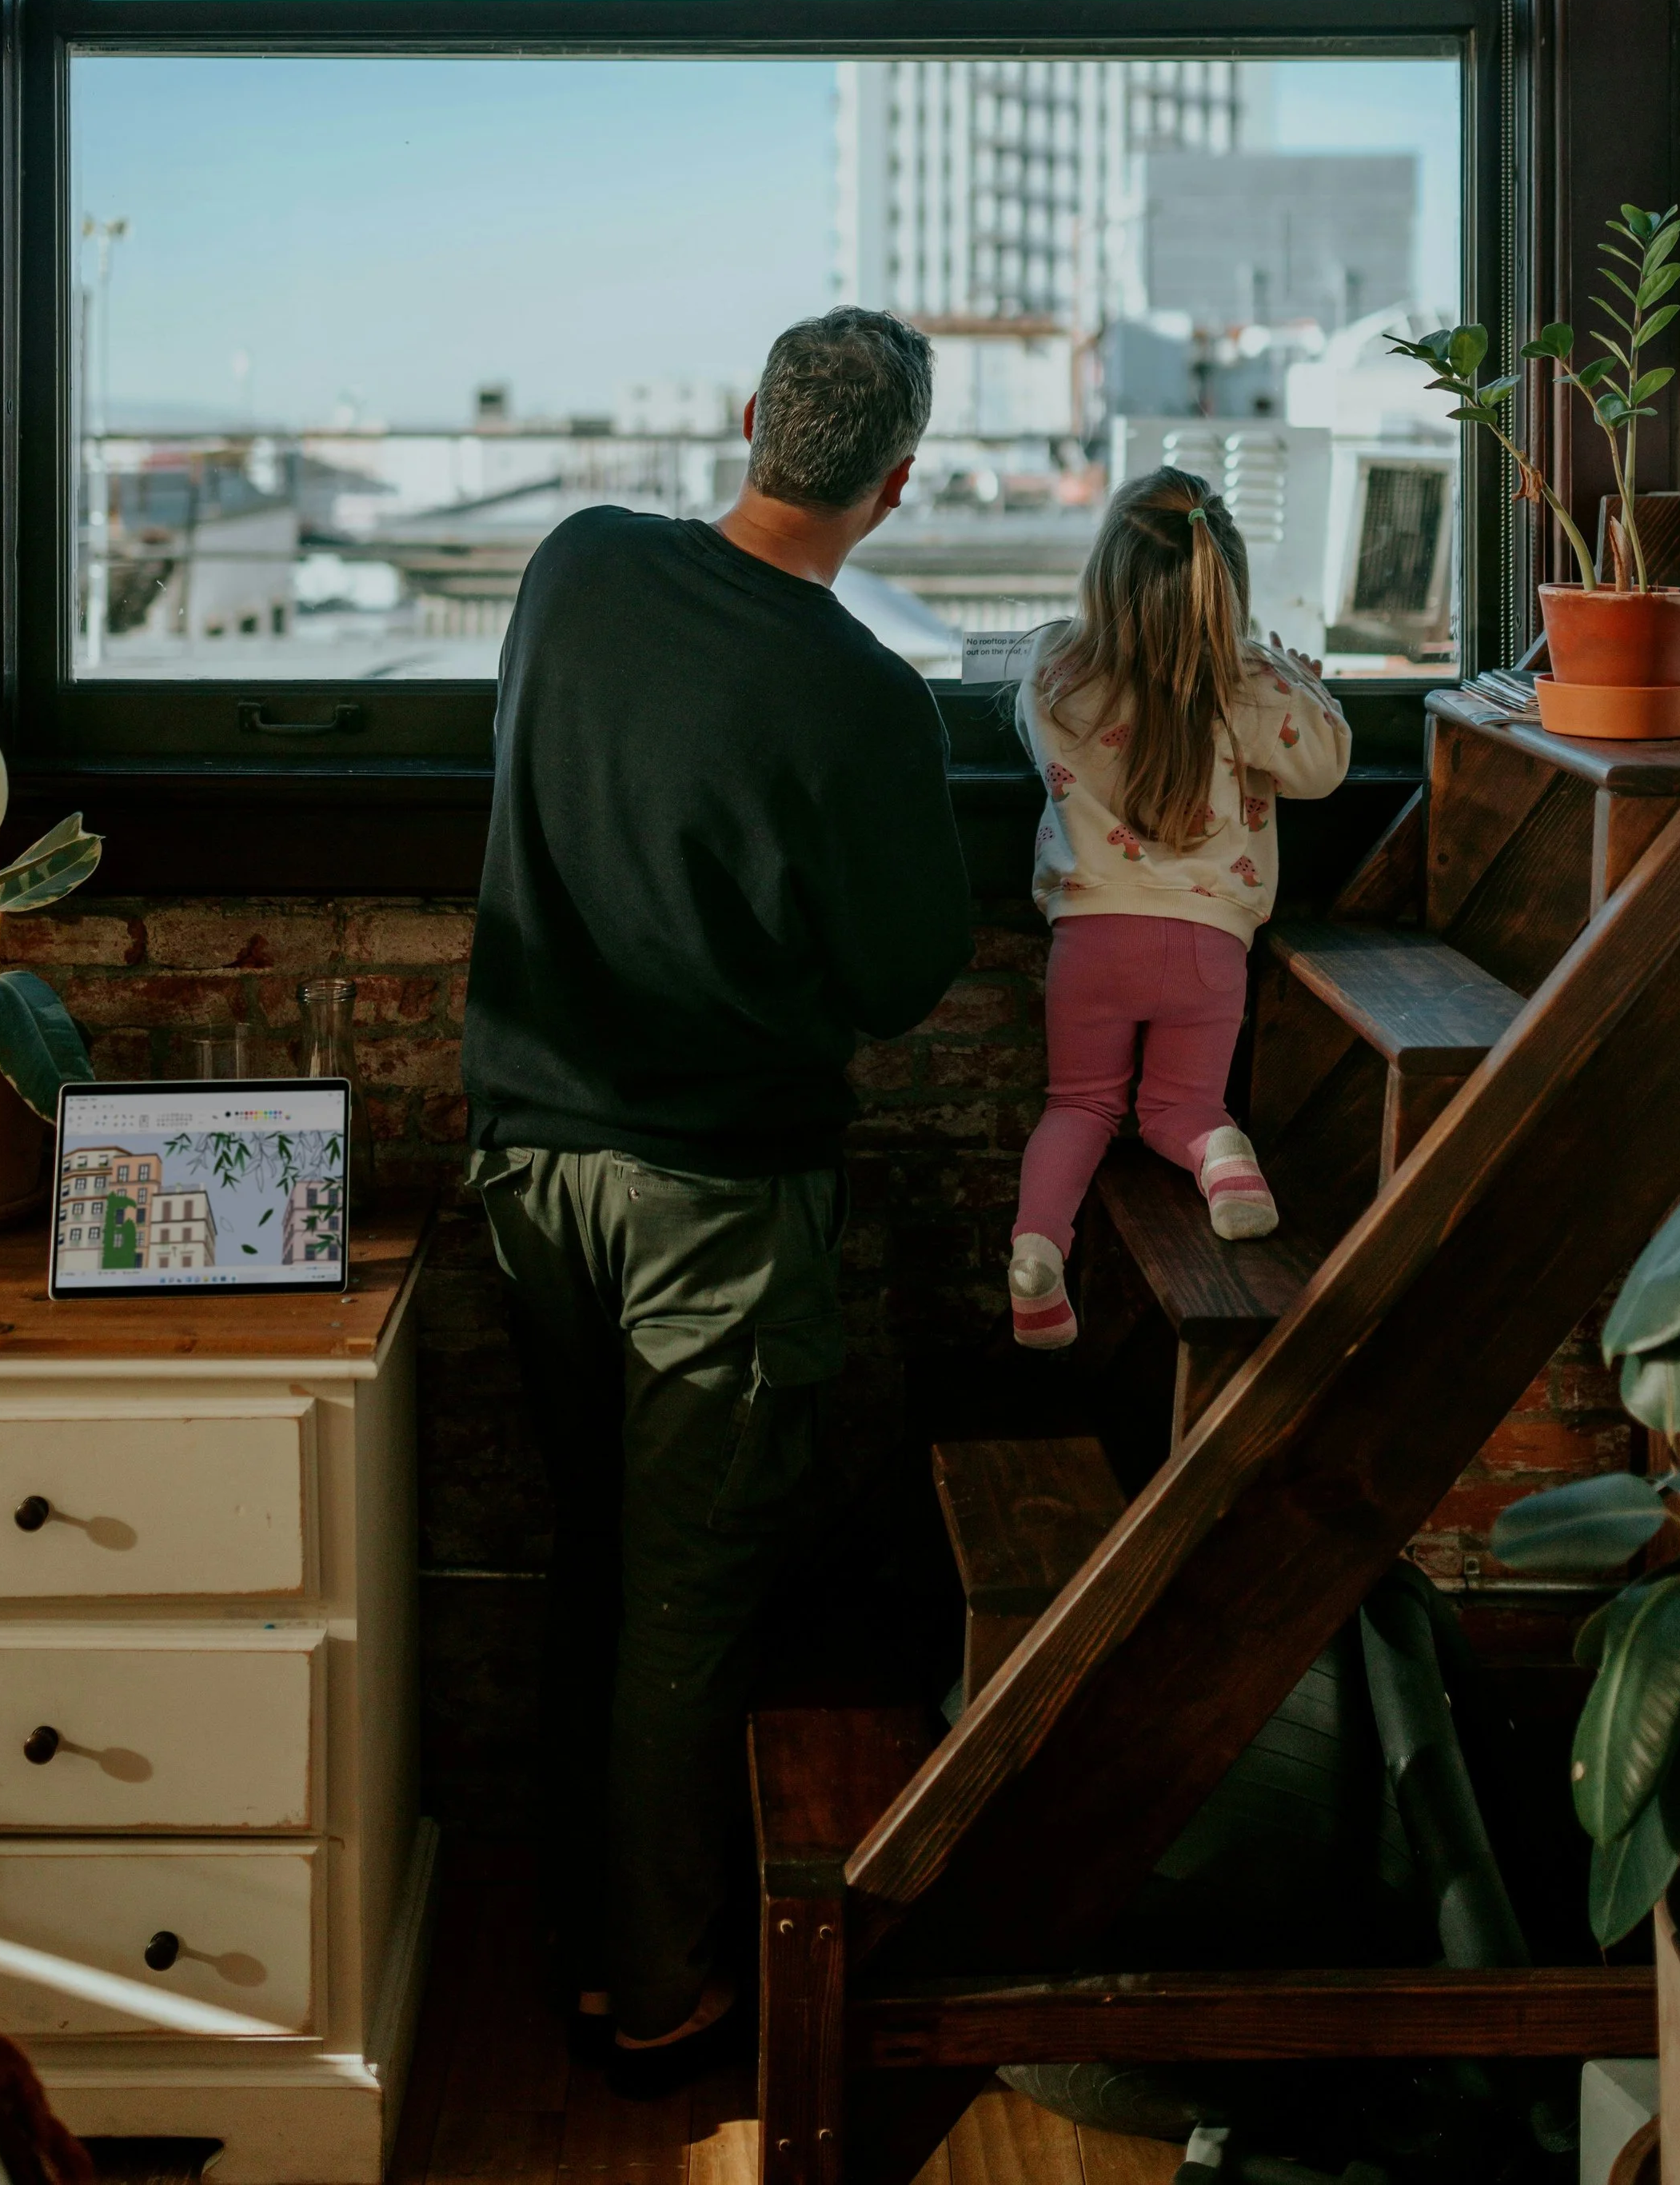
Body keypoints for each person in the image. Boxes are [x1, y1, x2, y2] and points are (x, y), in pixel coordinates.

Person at [461, 306, 972, 2092]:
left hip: (527, 1160)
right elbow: (906, 973)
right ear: (893, 485)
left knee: (594, 1556)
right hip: (713, 1199)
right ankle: (655, 1986)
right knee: (684, 1603)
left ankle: (577, 1948)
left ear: (754, 418)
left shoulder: (572, 562)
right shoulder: (863, 698)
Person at [1006, 465, 1351, 1350]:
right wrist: (1301, 680)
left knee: (1078, 1105)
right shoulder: (1250, 681)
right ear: (1223, 578)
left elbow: (1035, 724)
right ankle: (1228, 1165)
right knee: (1181, 1106)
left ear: (1105, 572)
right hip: (1208, 948)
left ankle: (1036, 1255)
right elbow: (1324, 768)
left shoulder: (1054, 666)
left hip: (1092, 941)